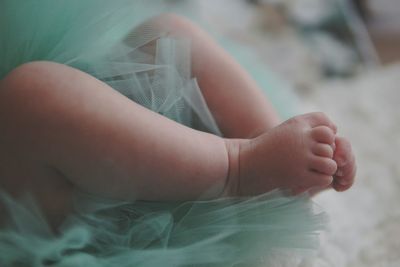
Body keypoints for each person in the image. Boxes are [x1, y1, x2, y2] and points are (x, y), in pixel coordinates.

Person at [0, 4, 356, 266]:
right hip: (60, 221)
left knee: (164, 34)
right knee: (33, 95)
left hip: (124, 146)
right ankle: (238, 167)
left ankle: (274, 159)